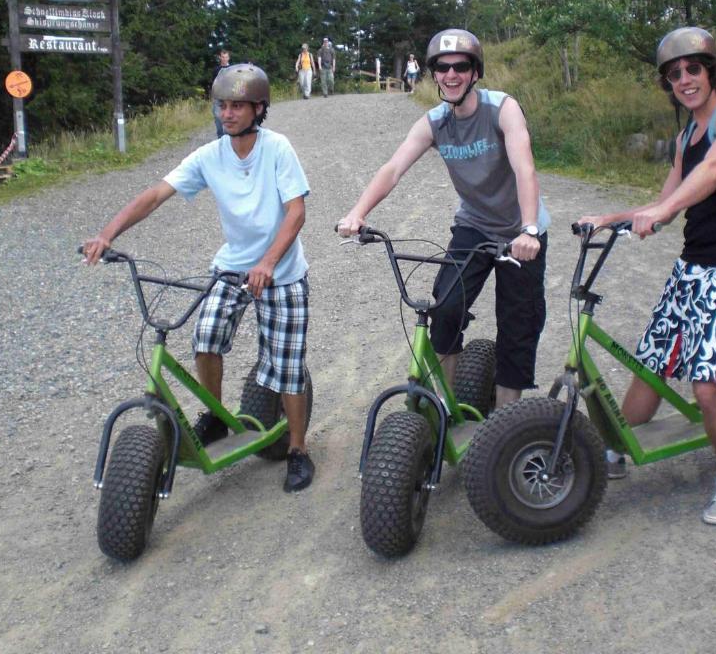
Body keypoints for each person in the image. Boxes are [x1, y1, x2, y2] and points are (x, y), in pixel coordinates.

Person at [82, 64, 315, 493]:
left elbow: (296, 212)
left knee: (286, 366)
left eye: (237, 106)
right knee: (205, 338)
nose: (226, 114)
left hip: (280, 272)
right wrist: (106, 234)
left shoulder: (278, 149)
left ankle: (298, 449)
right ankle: (214, 414)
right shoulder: (210, 156)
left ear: (259, 108)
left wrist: (268, 261)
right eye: (222, 106)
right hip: (231, 268)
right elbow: (155, 195)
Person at [578, 26, 716, 525]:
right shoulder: (686, 135)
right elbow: (664, 201)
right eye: (673, 74)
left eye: (692, 69)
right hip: (694, 263)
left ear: (711, 71)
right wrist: (613, 218)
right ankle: (615, 452)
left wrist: (664, 211)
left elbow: (714, 171)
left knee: (707, 385)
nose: (684, 79)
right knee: (651, 361)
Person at [337, 28, 549, 410]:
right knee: (445, 307)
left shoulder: (502, 108)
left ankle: (505, 421)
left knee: (518, 325)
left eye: (460, 67)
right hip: (474, 226)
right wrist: (358, 212)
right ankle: (443, 407)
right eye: (442, 67)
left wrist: (530, 228)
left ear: (475, 72)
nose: (451, 75)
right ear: (433, 74)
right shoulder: (435, 122)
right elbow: (393, 168)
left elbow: (525, 168)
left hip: (521, 231)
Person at [211, 48, 230, 137]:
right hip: (218, 96)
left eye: (226, 57)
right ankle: (220, 137)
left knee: (228, 117)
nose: (224, 59)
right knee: (218, 118)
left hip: (229, 97)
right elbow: (213, 83)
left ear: (228, 58)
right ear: (220, 58)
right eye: (222, 57)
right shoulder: (216, 69)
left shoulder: (232, 69)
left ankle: (227, 138)